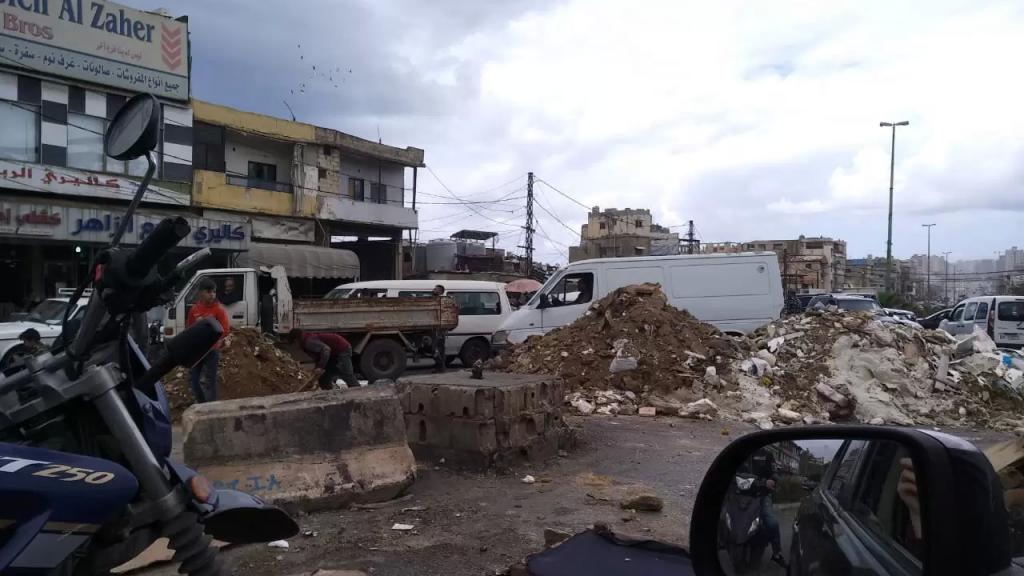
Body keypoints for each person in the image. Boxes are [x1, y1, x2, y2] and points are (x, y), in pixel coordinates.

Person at [738, 447, 786, 568]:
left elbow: (775, 473)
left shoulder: (767, 454)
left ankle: (777, 553)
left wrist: (772, 480)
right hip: (740, 495)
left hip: (762, 495)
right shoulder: (738, 451)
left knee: (772, 523)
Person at [187, 278, 230, 403]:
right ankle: (202, 405)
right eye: (209, 292)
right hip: (196, 351)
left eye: (214, 292)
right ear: (201, 293)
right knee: (194, 381)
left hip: (212, 351)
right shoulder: (194, 310)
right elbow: (189, 329)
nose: (212, 295)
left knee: (211, 381)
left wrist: (213, 336)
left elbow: (225, 330)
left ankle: (212, 409)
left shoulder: (219, 309)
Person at [291, 329, 359, 389]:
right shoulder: (305, 342)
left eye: (293, 344)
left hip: (342, 349)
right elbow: (319, 356)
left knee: (346, 372)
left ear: (296, 340)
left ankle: (358, 392)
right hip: (333, 353)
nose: (295, 347)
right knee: (324, 377)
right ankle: (329, 394)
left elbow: (326, 350)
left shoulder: (308, 341)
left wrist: (320, 367)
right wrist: (317, 368)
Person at [432, 284, 448, 373]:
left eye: (436, 289)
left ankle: (441, 367)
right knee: (437, 348)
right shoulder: (436, 299)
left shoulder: (442, 300)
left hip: (440, 330)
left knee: (438, 349)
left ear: (440, 291)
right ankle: (439, 366)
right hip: (437, 329)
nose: (434, 290)